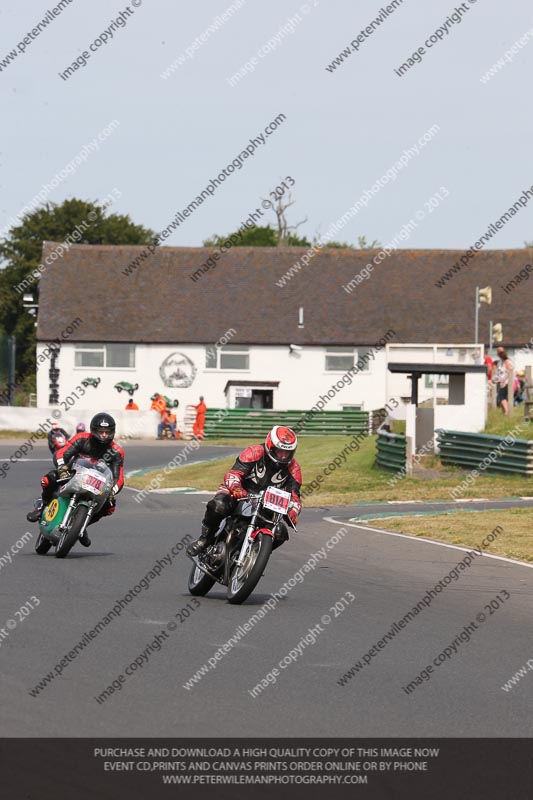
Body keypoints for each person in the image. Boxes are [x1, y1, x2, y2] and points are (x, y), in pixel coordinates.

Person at [187, 426, 302, 557]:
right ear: (270, 445)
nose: (282, 456)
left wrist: (293, 512)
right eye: (279, 451)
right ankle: (205, 539)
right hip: (239, 493)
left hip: (265, 504)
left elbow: (295, 498)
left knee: (281, 533)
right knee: (218, 505)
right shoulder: (254, 451)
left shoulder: (294, 469)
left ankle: (254, 556)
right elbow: (233, 474)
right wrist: (237, 488)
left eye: (287, 453)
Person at [26, 413, 124, 548]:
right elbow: (62, 453)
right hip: (73, 474)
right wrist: (62, 468)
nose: (103, 436)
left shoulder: (116, 451)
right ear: (93, 430)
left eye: (107, 432)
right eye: (100, 432)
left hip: (97, 484)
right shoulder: (81, 439)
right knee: (50, 478)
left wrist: (112, 491)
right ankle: (42, 506)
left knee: (110, 506)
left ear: (112, 432)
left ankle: (81, 526)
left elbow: (119, 477)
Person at [493, 347, 513, 415]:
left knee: (501, 397)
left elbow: (509, 373)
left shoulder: (507, 362)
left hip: (506, 382)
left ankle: (506, 411)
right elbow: (498, 373)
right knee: (501, 397)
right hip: (501, 382)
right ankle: (504, 412)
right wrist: (496, 380)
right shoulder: (499, 362)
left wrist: (503, 381)